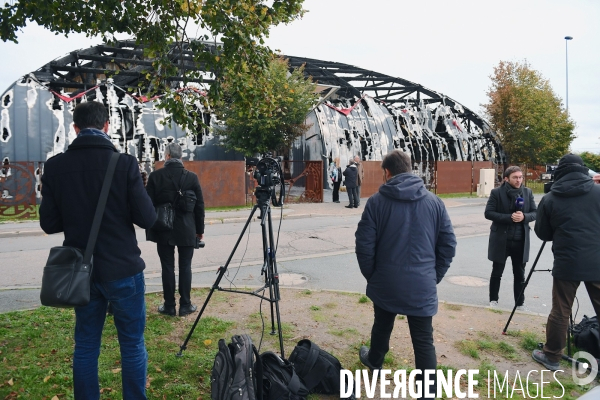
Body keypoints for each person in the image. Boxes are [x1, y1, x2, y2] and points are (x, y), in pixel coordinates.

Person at [39, 101, 156, 399]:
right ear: (107, 126)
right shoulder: (125, 164)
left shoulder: (54, 166)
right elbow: (147, 219)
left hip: (82, 272)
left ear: (75, 129)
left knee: (86, 345)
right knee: (131, 344)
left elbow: (50, 224)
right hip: (124, 270)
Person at [355, 150, 456, 398]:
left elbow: (364, 245)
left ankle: (375, 361)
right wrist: (433, 276)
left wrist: (373, 277)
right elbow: (448, 245)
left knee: (382, 325)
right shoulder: (434, 202)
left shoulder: (377, 202)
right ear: (410, 169)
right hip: (422, 283)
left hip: (387, 280)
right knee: (423, 340)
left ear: (387, 173)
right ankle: (428, 392)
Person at [532, 154, 600, 370]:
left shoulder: (551, 198)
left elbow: (543, 233)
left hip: (567, 262)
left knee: (561, 310)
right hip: (597, 260)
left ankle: (552, 356)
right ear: (583, 170)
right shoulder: (598, 192)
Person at [146, 143, 205, 317]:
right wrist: (199, 230)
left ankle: (169, 306)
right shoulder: (191, 177)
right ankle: (185, 305)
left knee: (167, 267)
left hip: (163, 229)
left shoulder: (155, 177)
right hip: (187, 228)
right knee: (186, 267)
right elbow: (199, 206)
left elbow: (147, 204)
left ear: (167, 156)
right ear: (181, 157)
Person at [484, 166, 536, 311]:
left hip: (521, 240)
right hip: (501, 239)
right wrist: (509, 218)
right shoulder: (497, 193)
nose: (519, 180)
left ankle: (519, 303)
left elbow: (535, 212)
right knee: (497, 272)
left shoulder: (527, 192)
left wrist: (524, 217)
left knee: (519, 273)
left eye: (520, 177)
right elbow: (488, 213)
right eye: (515, 177)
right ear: (506, 178)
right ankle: (493, 300)